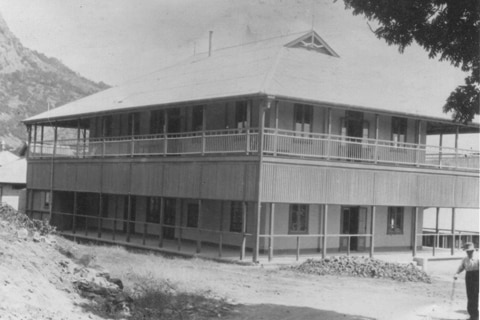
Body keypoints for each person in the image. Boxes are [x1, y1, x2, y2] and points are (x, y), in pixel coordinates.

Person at [454, 242, 479, 320]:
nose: (469, 253)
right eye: (467, 251)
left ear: (473, 251)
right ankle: (471, 314)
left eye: (470, 251)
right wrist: (456, 274)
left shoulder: (478, 258)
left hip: (476, 277)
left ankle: (475, 315)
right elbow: (461, 267)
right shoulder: (465, 259)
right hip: (468, 277)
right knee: (469, 295)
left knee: (475, 296)